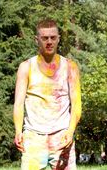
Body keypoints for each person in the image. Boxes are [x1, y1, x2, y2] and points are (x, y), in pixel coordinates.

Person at [13, 18, 82, 170]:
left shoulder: (70, 67)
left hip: (62, 136)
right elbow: (18, 104)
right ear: (37, 40)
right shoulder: (26, 67)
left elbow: (76, 104)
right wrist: (18, 131)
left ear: (59, 39)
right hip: (33, 138)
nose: (49, 42)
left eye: (53, 37)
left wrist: (70, 132)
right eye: (44, 38)